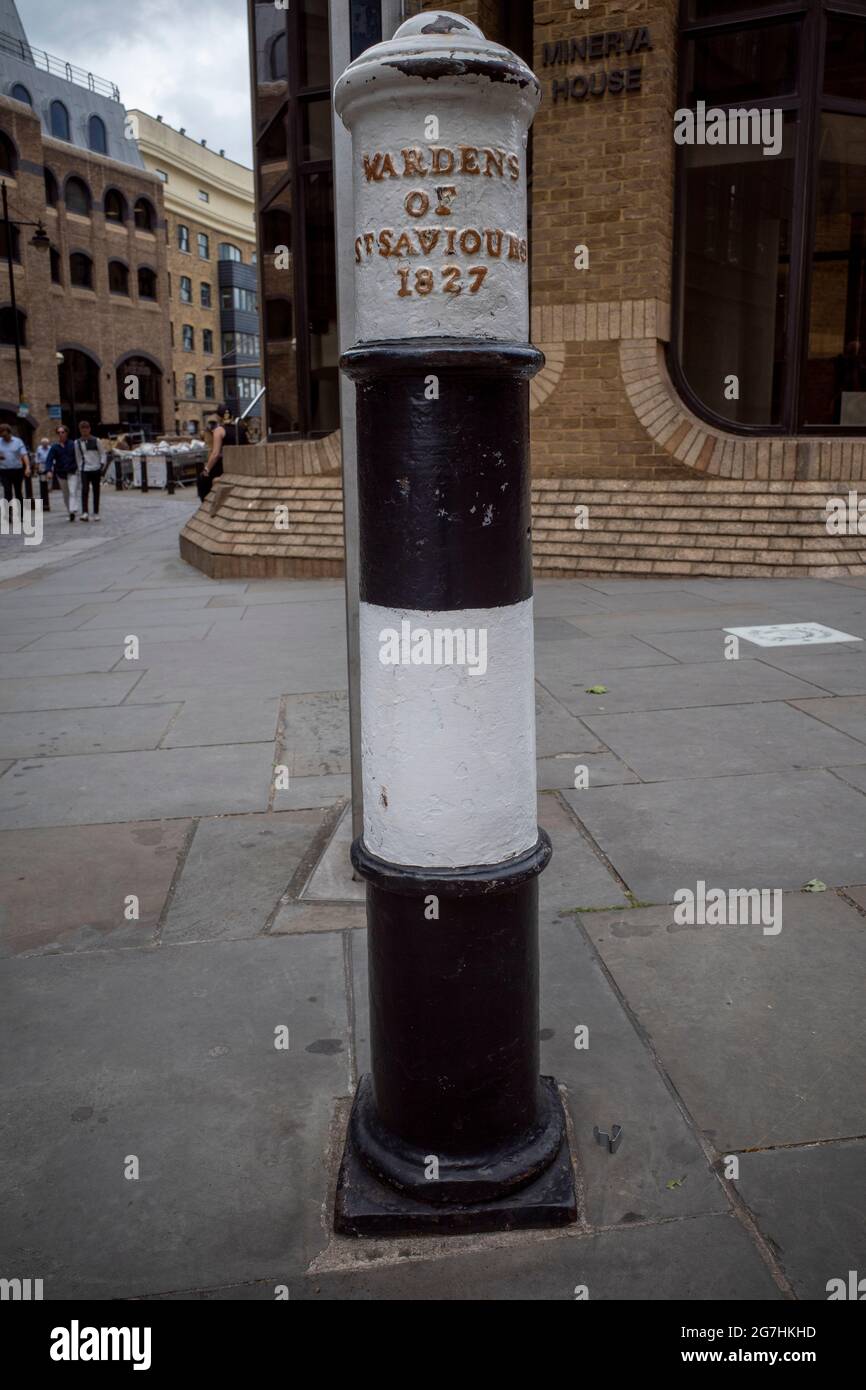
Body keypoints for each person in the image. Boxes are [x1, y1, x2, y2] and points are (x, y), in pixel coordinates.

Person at [198, 404, 237, 501]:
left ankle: (205, 503)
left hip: (222, 462)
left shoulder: (218, 429)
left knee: (202, 479)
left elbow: (215, 453)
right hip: (235, 462)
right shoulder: (239, 428)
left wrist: (207, 469)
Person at [46, 424, 80, 520]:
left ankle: (73, 509)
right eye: (59, 432)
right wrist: (49, 470)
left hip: (72, 471)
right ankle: (70, 511)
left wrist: (79, 467)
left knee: (72, 490)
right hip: (61, 473)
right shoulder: (55, 447)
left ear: (66, 433)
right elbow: (49, 459)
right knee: (66, 493)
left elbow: (78, 457)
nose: (61, 434)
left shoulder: (73, 444)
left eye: (62, 432)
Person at [75, 419, 106, 521]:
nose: (84, 431)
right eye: (82, 429)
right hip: (85, 469)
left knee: (96, 491)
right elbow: (78, 456)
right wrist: (80, 468)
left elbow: (102, 453)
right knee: (85, 490)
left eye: (86, 429)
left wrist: (101, 465)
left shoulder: (96, 440)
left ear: (89, 429)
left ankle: (96, 512)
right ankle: (85, 512)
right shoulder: (77, 442)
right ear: (80, 430)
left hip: (96, 468)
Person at [0, 422, 30, 520]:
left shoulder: (18, 441)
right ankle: (9, 513)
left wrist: (27, 467)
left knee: (18, 492)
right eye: (1, 435)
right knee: (7, 492)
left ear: (9, 432)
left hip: (17, 470)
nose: (4, 437)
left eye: (5, 435)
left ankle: (21, 514)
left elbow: (24, 455)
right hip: (4, 471)